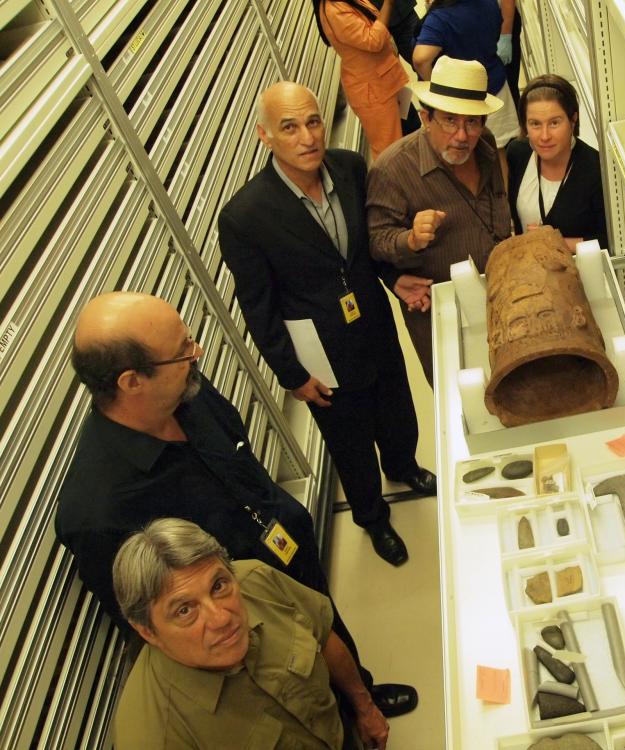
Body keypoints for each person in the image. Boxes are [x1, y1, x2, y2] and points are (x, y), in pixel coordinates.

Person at [54, 291, 418, 718]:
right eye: (183, 351)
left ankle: (361, 694)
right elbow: (152, 625)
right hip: (246, 624)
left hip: (289, 559)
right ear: (132, 381)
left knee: (326, 627)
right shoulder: (99, 513)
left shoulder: (187, 391)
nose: (198, 352)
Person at [219, 82, 436, 568]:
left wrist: (394, 278)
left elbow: (368, 248)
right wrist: (292, 376)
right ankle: (373, 517)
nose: (307, 137)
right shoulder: (245, 216)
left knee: (398, 409)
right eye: (289, 127)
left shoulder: (351, 167)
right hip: (321, 351)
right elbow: (259, 307)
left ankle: (404, 466)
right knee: (350, 442)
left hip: (375, 325)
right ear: (265, 135)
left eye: (313, 122)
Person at [113, 518, 387, 750]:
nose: (221, 618)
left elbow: (323, 636)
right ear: (148, 631)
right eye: (185, 610)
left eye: (219, 585)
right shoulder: (151, 735)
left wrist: (365, 708)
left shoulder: (256, 579)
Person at [367, 57, 512, 384]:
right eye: (449, 120)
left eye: (473, 122)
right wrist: (411, 240)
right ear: (425, 117)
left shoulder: (485, 144)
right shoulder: (392, 171)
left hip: (500, 297)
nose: (462, 135)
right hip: (443, 315)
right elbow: (376, 243)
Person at [506, 74, 608, 252]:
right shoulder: (517, 153)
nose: (544, 136)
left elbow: (609, 240)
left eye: (554, 123)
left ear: (573, 119)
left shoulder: (596, 170)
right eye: (535, 124)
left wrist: (556, 242)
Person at [411, 0, 520, 150]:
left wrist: (436, 85)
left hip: (457, 103)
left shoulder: (440, 19)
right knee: (497, 152)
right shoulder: (489, 3)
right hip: (494, 91)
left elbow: (420, 59)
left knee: (459, 157)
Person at [312, 0, 411, 159]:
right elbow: (374, 40)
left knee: (410, 131)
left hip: (386, 80)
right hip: (373, 91)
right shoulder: (333, 11)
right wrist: (388, 4)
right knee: (390, 152)